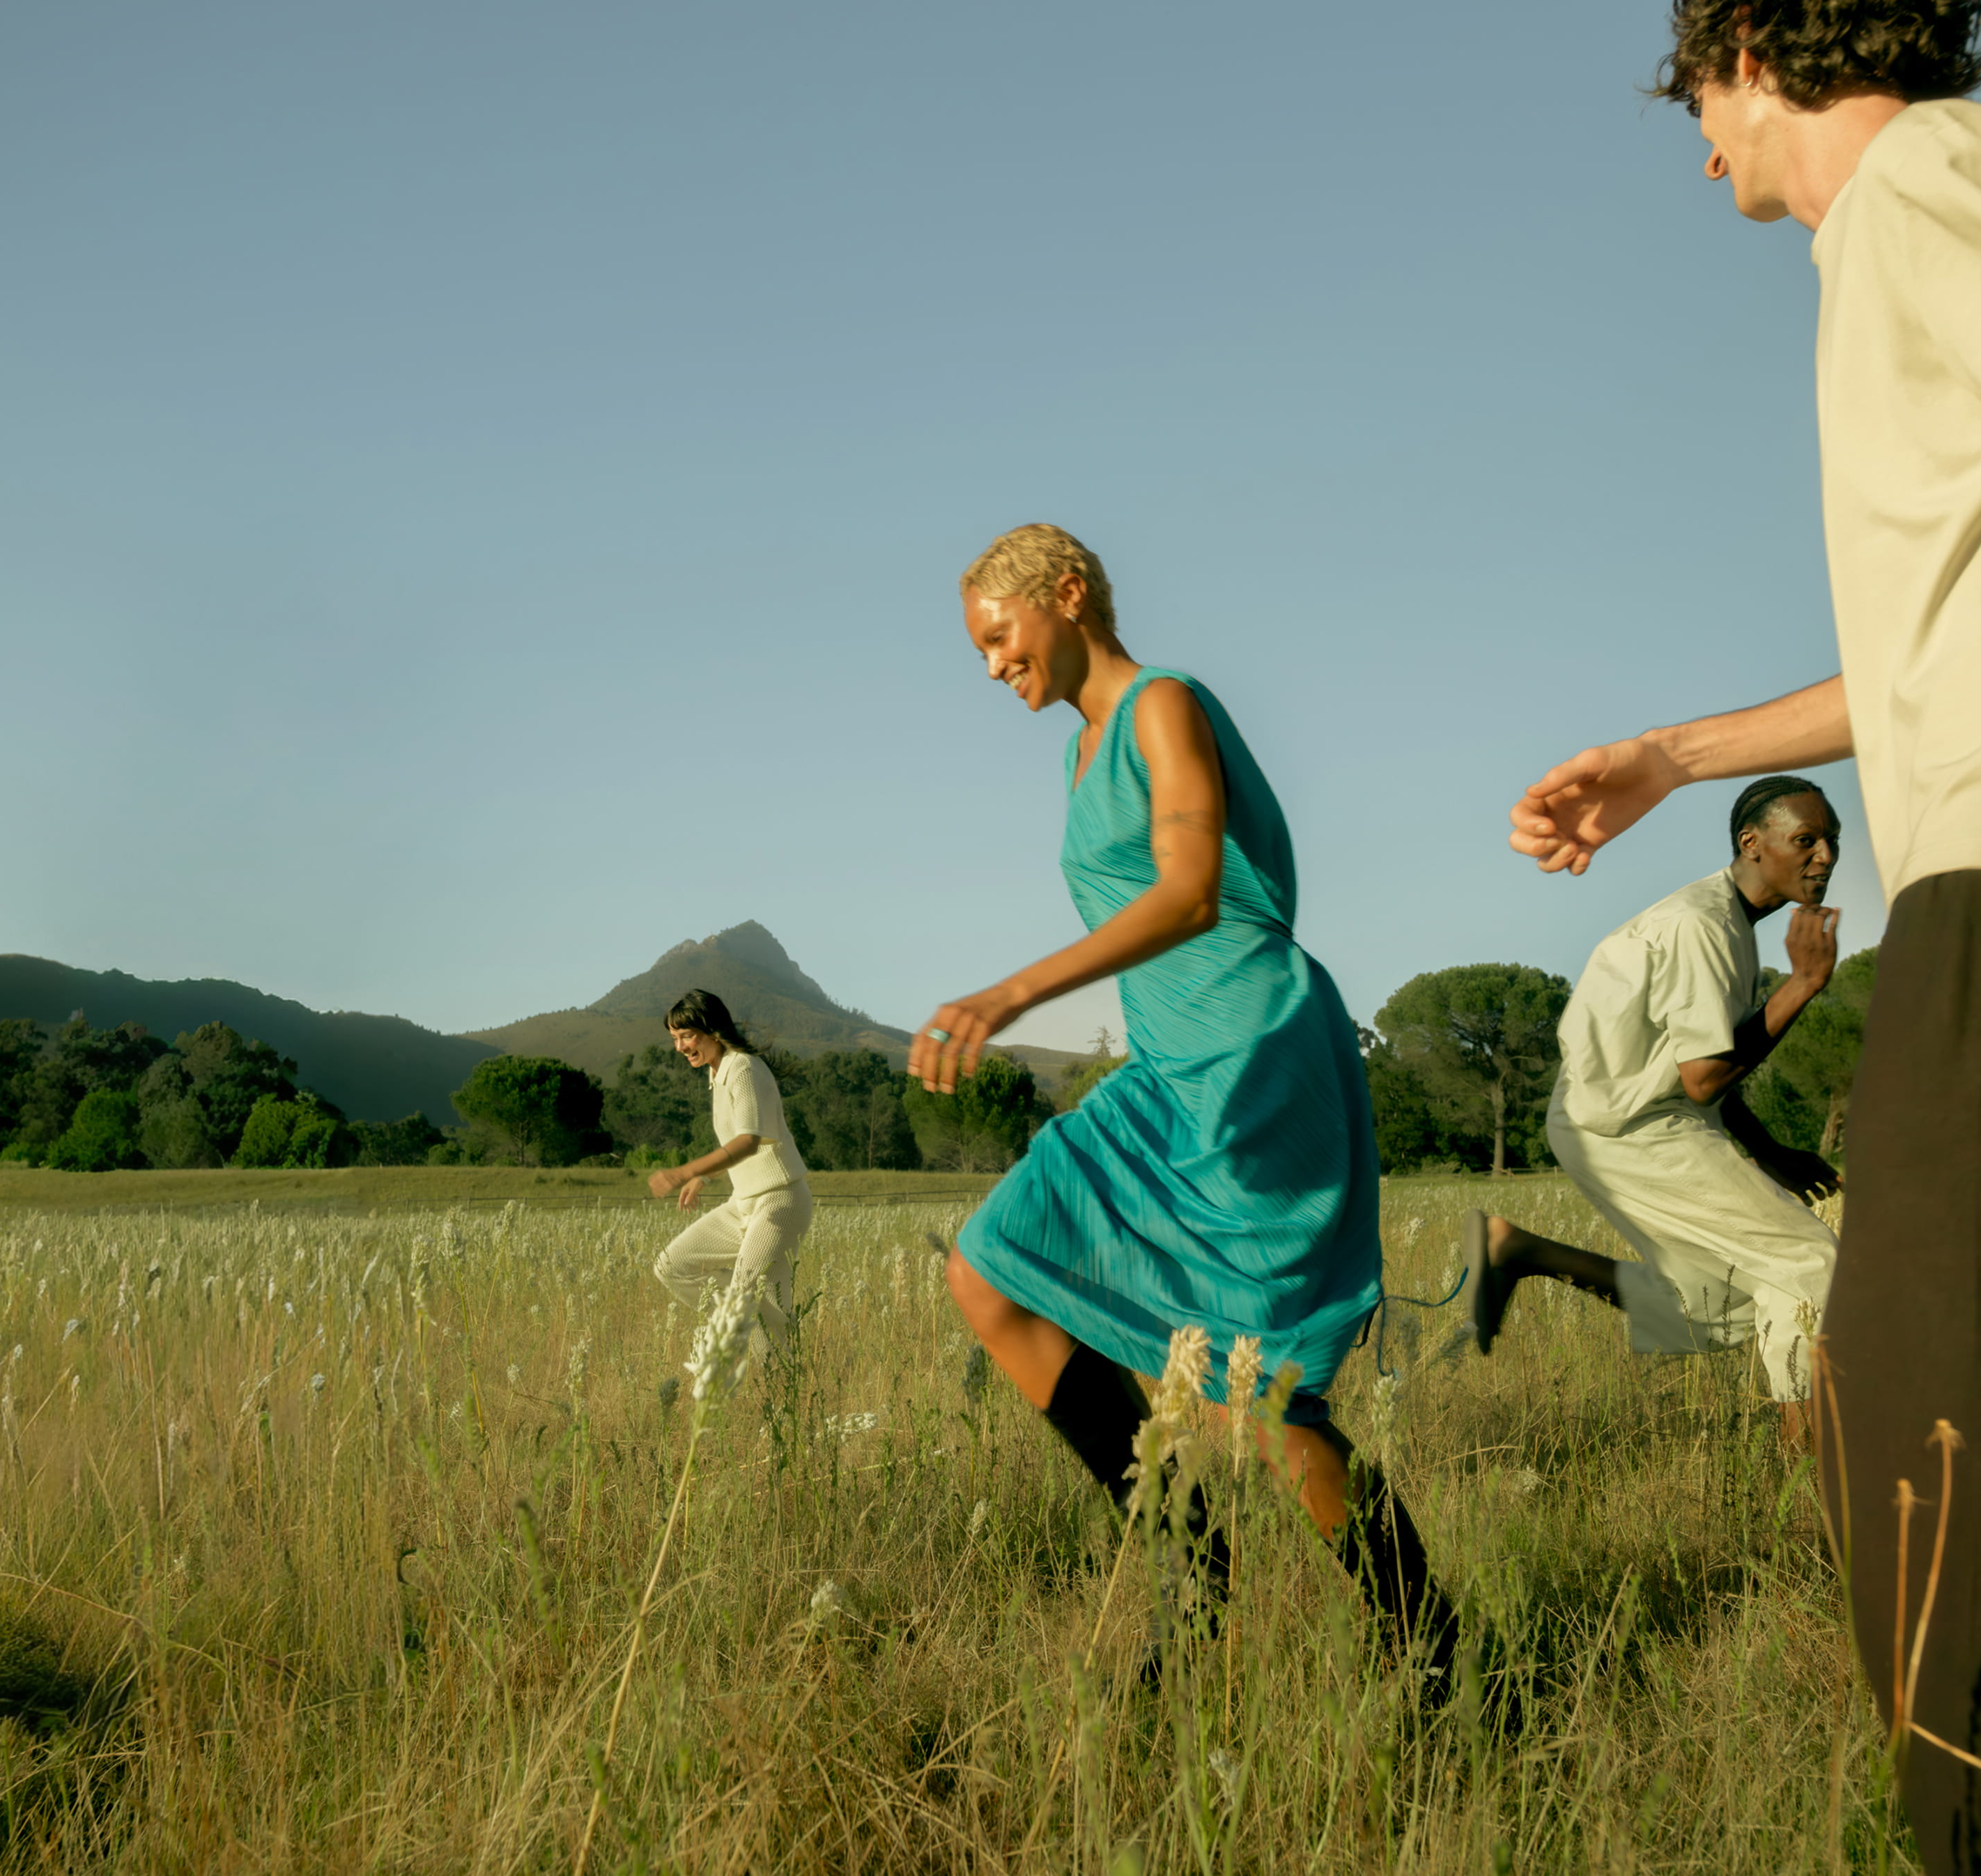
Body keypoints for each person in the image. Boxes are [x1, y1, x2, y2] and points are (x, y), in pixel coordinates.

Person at [1508, 4, 1981, 1863]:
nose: (1693, 142)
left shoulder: (1928, 176)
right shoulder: (1899, 226)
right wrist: (1675, 753)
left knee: (1928, 1435)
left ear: (1748, 49)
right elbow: (1936, 640)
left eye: (1691, 97)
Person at [916, 523, 1456, 1675]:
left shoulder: (1162, 704)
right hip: (1168, 1066)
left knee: (1259, 1395)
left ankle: (1434, 1648)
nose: (990, 664)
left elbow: (1192, 893)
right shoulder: (1078, 755)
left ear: (1065, 597)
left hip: (1255, 1053)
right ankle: (1186, 1558)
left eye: (997, 635)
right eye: (977, 650)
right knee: (988, 1265)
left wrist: (1011, 991)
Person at [1467, 777, 1844, 1447]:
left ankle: (1519, 1251)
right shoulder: (1703, 926)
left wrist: (1769, 1152)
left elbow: (1695, 1065)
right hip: (1627, 1127)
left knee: (1720, 1302)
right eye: (1807, 839)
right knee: (1809, 1260)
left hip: (1613, 1116)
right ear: (1751, 844)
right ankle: (1811, 1472)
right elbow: (1702, 1079)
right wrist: (1805, 985)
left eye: (1832, 841)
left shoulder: (1726, 922)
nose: (1825, 857)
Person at [645, 990, 812, 1354]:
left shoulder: (744, 1068)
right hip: (745, 1202)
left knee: (745, 1296)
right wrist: (704, 1177)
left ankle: (777, 1367)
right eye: (674, 1039)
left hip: (780, 1200)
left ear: (713, 1030)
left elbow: (749, 1141)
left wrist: (682, 1172)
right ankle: (757, 1338)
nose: (679, 1047)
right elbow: (738, 1142)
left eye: (686, 1036)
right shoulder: (717, 1072)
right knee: (672, 1266)